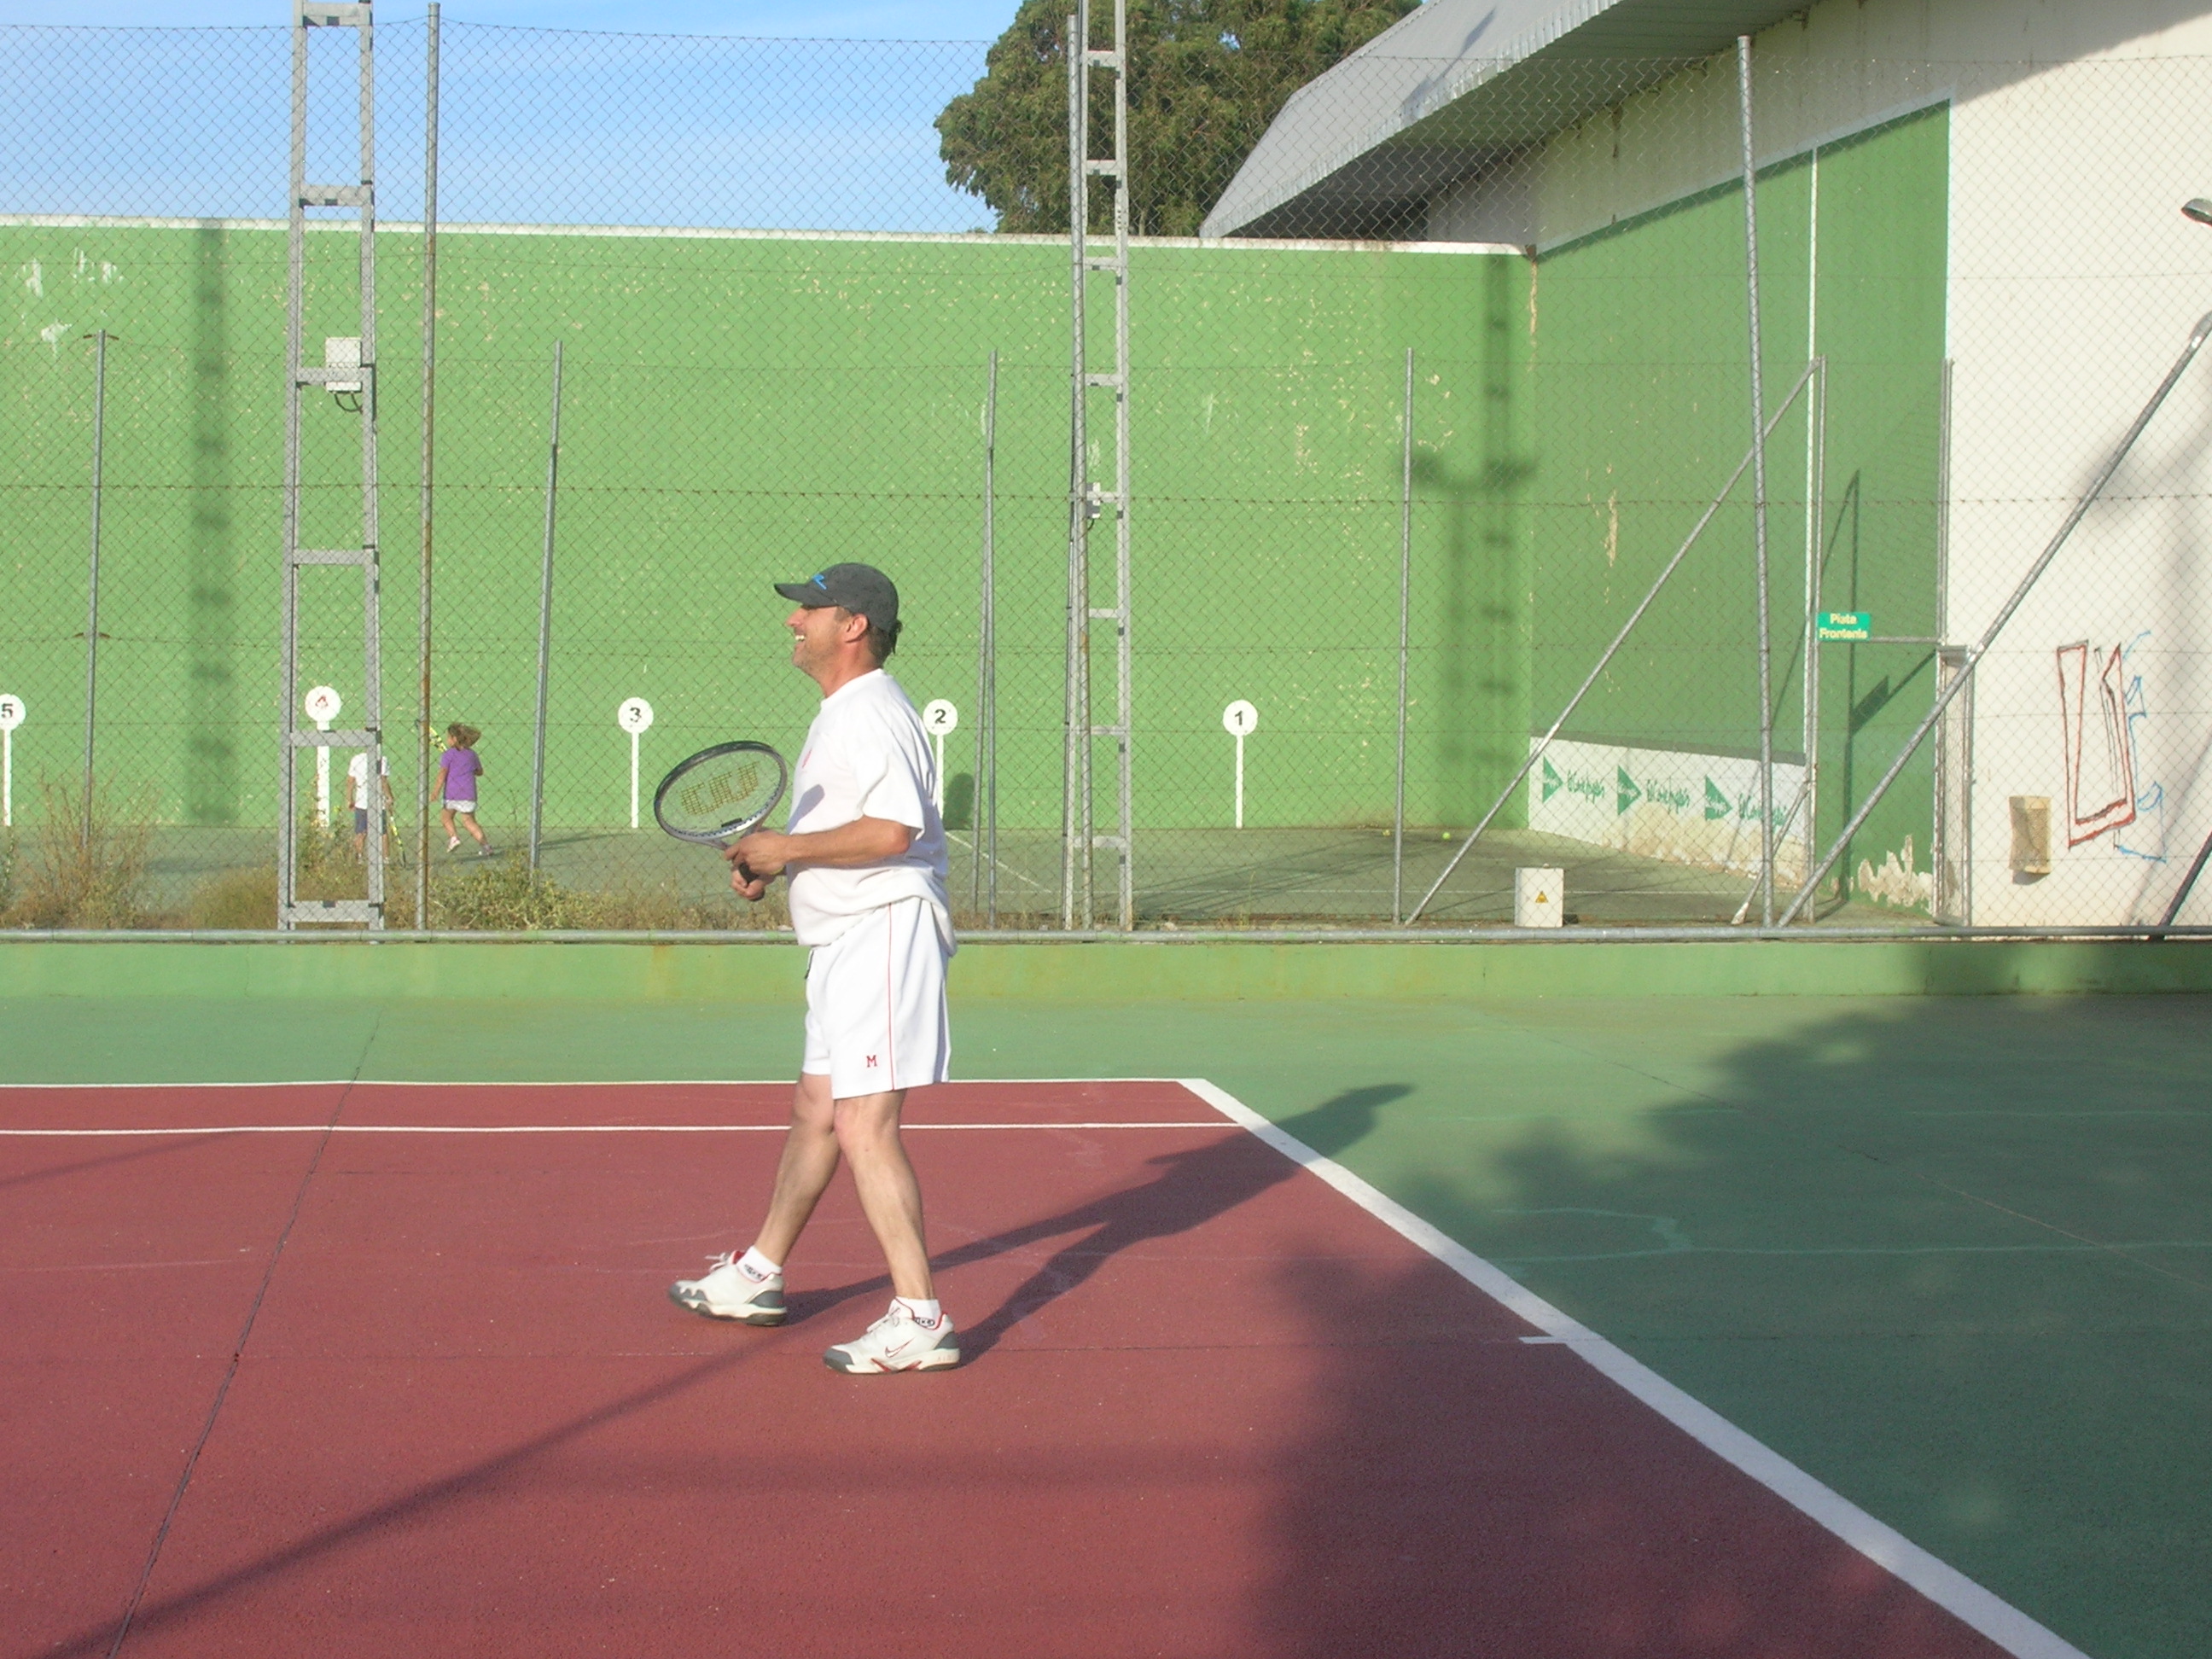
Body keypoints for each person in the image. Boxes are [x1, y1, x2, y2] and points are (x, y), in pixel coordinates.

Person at [669, 562, 958, 1375]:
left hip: (883, 929)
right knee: (817, 1110)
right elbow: (853, 828)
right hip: (843, 938)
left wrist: (787, 847)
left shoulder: (872, 711)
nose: (793, 622)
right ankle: (757, 1276)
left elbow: (894, 830)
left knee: (864, 1123)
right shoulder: (844, 712)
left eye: (810, 610)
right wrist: (781, 862)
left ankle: (921, 1318)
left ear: (853, 626)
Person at [436, 724, 493, 857]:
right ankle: (486, 847)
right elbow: (480, 772)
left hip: (452, 794)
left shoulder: (448, 755)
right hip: (469, 794)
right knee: (469, 822)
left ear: (454, 739)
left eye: (448, 737)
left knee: (446, 818)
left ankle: (454, 837)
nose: (447, 740)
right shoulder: (472, 755)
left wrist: (436, 791)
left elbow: (442, 773)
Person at [346, 747, 395, 864]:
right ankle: (386, 859)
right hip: (375, 802)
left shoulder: (356, 759)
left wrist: (349, 799)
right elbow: (383, 781)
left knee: (361, 831)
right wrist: (389, 797)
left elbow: (350, 782)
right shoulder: (382, 759)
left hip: (363, 802)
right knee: (382, 832)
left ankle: (360, 858)